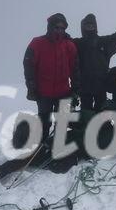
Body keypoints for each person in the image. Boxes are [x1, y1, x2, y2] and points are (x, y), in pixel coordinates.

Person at [23, 13, 80, 142]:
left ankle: (57, 146)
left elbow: (75, 69)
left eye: (62, 28)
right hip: (43, 93)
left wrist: (75, 90)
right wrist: (31, 86)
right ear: (50, 27)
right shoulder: (37, 43)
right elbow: (28, 65)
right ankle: (41, 147)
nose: (59, 30)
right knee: (44, 122)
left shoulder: (69, 45)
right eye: (57, 27)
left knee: (62, 123)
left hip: (64, 91)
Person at [73, 9, 116, 111]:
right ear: (83, 27)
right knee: (86, 119)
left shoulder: (104, 42)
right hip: (84, 88)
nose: (90, 26)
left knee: (102, 120)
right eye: (87, 25)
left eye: (92, 24)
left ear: (95, 26)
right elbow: (63, 43)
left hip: (101, 87)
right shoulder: (77, 44)